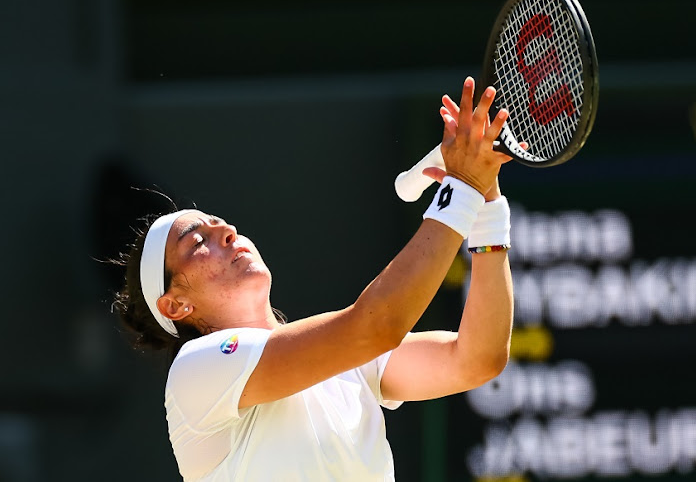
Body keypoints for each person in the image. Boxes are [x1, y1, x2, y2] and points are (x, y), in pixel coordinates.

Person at [112, 77, 523, 481]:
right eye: (197, 240)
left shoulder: (346, 354)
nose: (226, 233)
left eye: (221, 225)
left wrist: (486, 207)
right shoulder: (195, 371)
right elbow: (376, 327)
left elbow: (476, 360)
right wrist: (463, 190)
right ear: (175, 305)